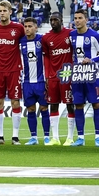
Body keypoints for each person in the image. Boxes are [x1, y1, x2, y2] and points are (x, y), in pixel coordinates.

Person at [67, 9, 99, 146]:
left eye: (80, 18)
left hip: (92, 75)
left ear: (86, 20)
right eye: (75, 18)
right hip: (78, 76)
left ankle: (98, 137)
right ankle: (81, 138)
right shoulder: (71, 35)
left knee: (96, 104)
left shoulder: (95, 36)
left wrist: (92, 59)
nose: (77, 20)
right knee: (78, 105)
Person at [0, 0, 25, 144]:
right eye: (0, 10)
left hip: (14, 70)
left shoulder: (18, 28)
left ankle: (15, 137)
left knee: (15, 102)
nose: (2, 13)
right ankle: (0, 137)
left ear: (10, 12)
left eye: (4, 10)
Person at [41, 12, 75, 145]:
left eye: (55, 20)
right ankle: (55, 138)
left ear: (61, 20)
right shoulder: (46, 38)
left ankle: (70, 137)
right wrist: (48, 76)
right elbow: (47, 57)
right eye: (51, 20)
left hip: (67, 75)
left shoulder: (70, 34)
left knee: (69, 105)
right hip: (53, 76)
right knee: (53, 105)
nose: (53, 22)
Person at [20, 17, 51, 145]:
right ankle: (33, 137)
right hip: (27, 82)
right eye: (25, 26)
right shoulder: (20, 42)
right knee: (30, 109)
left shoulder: (42, 40)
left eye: (30, 26)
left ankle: (47, 137)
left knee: (44, 108)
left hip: (41, 81)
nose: (27, 29)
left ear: (36, 27)